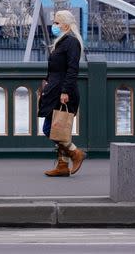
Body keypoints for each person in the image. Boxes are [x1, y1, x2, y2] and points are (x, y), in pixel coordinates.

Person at [38, 10, 86, 177]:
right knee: (60, 130)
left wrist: (65, 91)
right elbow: (56, 69)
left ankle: (75, 153)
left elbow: (72, 69)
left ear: (66, 25)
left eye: (57, 23)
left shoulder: (71, 42)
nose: (54, 26)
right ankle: (62, 166)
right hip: (55, 91)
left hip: (64, 92)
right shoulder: (61, 42)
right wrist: (46, 85)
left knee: (50, 128)